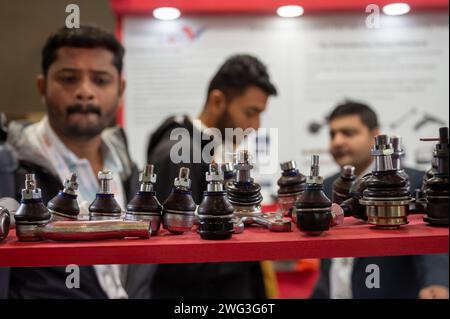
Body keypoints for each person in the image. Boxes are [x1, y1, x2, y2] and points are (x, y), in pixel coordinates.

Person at [6, 25, 154, 298]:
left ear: (120, 89)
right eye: (69, 78)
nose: (85, 92)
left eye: (100, 80)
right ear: (42, 86)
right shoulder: (11, 170)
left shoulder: (127, 169)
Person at [147, 54, 278, 298]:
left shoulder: (209, 148)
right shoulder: (179, 154)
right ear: (218, 101)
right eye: (251, 112)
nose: (257, 125)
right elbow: (178, 255)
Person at [312, 101, 449, 299]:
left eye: (348, 133)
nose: (337, 141)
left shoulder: (417, 182)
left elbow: (432, 240)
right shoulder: (325, 187)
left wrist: (437, 281)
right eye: (332, 134)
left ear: (375, 136)